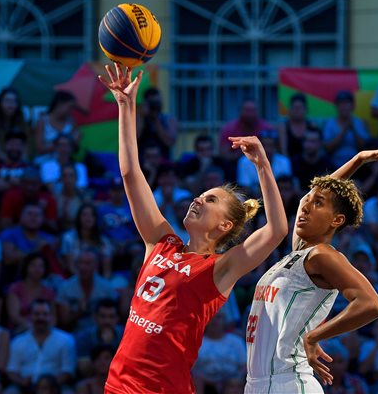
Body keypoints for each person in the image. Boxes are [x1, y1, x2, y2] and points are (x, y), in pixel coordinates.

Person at [99, 64, 288, 393]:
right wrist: (126, 107)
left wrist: (261, 164)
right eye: (200, 195)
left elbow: (276, 230)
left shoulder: (219, 269)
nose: (198, 199)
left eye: (210, 200)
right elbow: (130, 174)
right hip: (118, 386)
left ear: (225, 225)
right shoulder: (161, 241)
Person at [244, 146, 378, 393]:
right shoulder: (299, 253)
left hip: (287, 381)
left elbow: (371, 304)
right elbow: (310, 196)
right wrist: (357, 160)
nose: (305, 207)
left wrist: (315, 336)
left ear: (337, 220)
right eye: (307, 201)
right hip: (259, 383)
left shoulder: (322, 255)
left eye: (318, 204)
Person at [5, 299, 76, 394]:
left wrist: (48, 385)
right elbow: (12, 371)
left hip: (55, 387)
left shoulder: (66, 340)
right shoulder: (18, 341)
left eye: (45, 314)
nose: (41, 318)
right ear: (30, 316)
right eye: (37, 314)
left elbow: (68, 371)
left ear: (51, 316)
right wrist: (21, 381)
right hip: (25, 387)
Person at [56, 249, 116, 332]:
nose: (83, 267)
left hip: (101, 332)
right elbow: (64, 321)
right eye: (80, 263)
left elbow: (113, 316)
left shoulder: (106, 287)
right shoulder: (65, 287)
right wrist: (78, 311)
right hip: (74, 332)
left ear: (96, 265)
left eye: (88, 263)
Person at [193, 311, 247, 393]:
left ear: (224, 320)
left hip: (231, 380)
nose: (215, 321)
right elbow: (192, 369)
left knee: (236, 382)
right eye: (211, 317)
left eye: (218, 317)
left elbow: (245, 366)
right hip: (204, 382)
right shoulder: (196, 343)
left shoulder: (236, 341)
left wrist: (231, 378)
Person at [6, 252, 56, 333]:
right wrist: (31, 326)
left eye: (41, 266)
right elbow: (14, 315)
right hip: (21, 330)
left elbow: (53, 317)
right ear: (26, 267)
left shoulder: (49, 291)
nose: (37, 269)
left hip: (44, 330)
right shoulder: (15, 289)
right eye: (33, 265)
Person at [73, 299, 123, 377]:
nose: (107, 321)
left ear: (117, 319)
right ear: (95, 317)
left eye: (111, 317)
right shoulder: (84, 337)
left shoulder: (125, 335)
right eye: (103, 316)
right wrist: (104, 344)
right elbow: (83, 369)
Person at [60, 204, 114, 276]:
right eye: (85, 215)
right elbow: (70, 267)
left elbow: (107, 271)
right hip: (74, 278)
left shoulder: (103, 241)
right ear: (78, 218)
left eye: (92, 215)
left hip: (97, 279)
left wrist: (102, 282)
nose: (88, 218)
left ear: (96, 219)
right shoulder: (68, 238)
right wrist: (83, 281)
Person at [323, 90, 370, 169]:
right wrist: (344, 131)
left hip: (357, 166)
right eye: (341, 103)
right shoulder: (329, 124)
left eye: (347, 103)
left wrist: (353, 129)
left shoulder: (360, 123)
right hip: (334, 166)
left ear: (353, 106)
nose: (344, 106)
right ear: (336, 106)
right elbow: (327, 148)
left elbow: (365, 148)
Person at [0, 87, 28, 163]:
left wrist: (21, 163)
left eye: (14, 101)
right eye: (7, 100)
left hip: (18, 162)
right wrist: (10, 163)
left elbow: (26, 147)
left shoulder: (22, 121)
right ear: (0, 103)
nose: (10, 104)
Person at [34, 90, 80, 159]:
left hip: (64, 164)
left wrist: (75, 141)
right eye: (70, 107)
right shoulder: (42, 121)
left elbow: (75, 150)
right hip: (45, 162)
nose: (72, 111)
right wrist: (59, 144)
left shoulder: (71, 122)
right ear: (60, 104)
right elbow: (39, 149)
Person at [136, 87, 178, 160]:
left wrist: (156, 119)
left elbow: (169, 142)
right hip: (141, 160)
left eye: (157, 102)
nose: (155, 106)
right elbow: (133, 140)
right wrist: (141, 117)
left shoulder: (169, 119)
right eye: (152, 103)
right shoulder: (139, 118)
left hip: (163, 161)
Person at [277, 93, 316, 158]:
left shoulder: (312, 125)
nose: (297, 110)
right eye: (294, 107)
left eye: (299, 108)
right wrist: (288, 163)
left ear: (305, 109)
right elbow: (283, 150)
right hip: (289, 161)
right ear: (290, 109)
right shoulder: (283, 127)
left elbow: (316, 148)